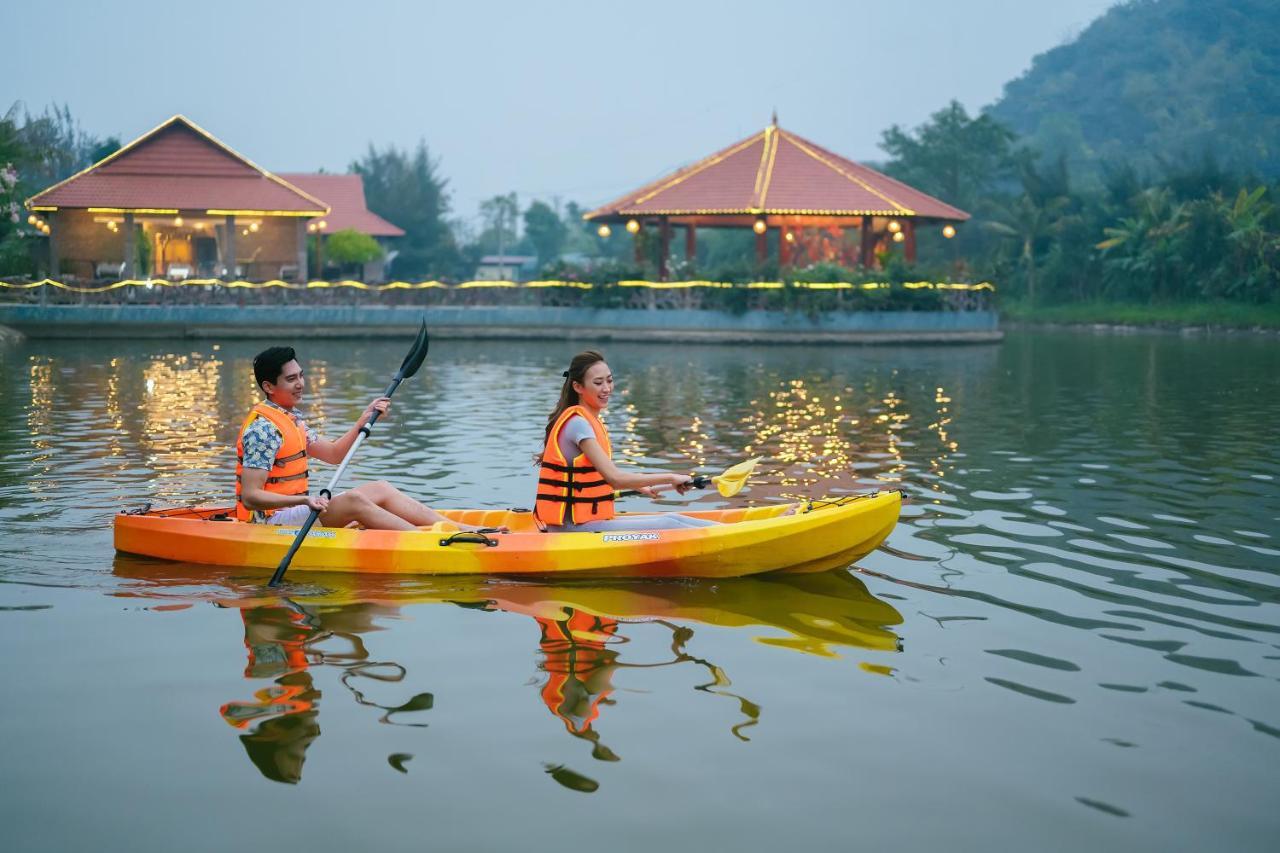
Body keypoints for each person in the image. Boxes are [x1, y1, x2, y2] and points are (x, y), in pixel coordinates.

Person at [236, 345, 483, 532]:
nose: (301, 383)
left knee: (380, 488)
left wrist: (364, 418)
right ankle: (432, 541)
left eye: (300, 375)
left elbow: (333, 455)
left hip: (298, 509)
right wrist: (306, 499)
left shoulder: (292, 420)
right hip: (268, 522)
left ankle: (458, 529)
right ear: (268, 387)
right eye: (291, 379)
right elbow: (250, 497)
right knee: (354, 500)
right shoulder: (263, 429)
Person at [533, 350, 719, 532]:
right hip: (571, 529)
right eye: (598, 383)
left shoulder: (588, 421)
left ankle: (736, 531)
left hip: (587, 522)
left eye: (609, 380)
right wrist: (671, 477)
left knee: (673, 518)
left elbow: (599, 480)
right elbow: (615, 479)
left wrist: (643, 485)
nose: (606, 388)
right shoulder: (578, 424)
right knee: (668, 524)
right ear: (578, 387)